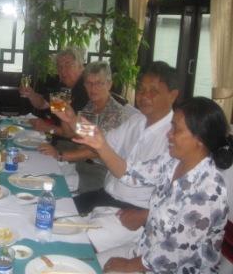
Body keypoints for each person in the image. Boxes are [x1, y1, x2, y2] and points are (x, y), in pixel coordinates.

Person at [94, 97, 232, 273]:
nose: (169, 133)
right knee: (83, 263)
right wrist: (100, 145)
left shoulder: (208, 192)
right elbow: (131, 173)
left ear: (200, 139)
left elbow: (175, 254)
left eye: (176, 129)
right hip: (145, 251)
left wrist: (130, 265)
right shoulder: (172, 161)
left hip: (172, 268)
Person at [56, 61, 179, 215]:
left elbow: (132, 174)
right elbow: (102, 140)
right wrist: (72, 119)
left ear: (172, 96)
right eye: (141, 89)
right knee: (56, 209)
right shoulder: (137, 120)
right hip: (106, 195)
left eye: (153, 91)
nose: (144, 95)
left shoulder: (175, 137)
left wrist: (144, 217)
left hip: (131, 210)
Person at [38, 61, 131, 193]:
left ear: (109, 84)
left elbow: (94, 151)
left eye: (99, 83)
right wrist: (65, 116)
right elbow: (70, 134)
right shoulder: (91, 106)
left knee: (50, 185)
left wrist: (60, 155)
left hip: (100, 174)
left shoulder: (115, 113)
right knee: (42, 171)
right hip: (80, 165)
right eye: (89, 83)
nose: (93, 88)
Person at [19, 48, 88, 136]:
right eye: (59, 66)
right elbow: (43, 104)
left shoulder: (87, 89)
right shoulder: (63, 87)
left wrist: (48, 128)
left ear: (81, 67)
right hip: (55, 137)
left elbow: (82, 134)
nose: (62, 71)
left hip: (72, 145)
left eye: (68, 65)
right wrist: (30, 94)